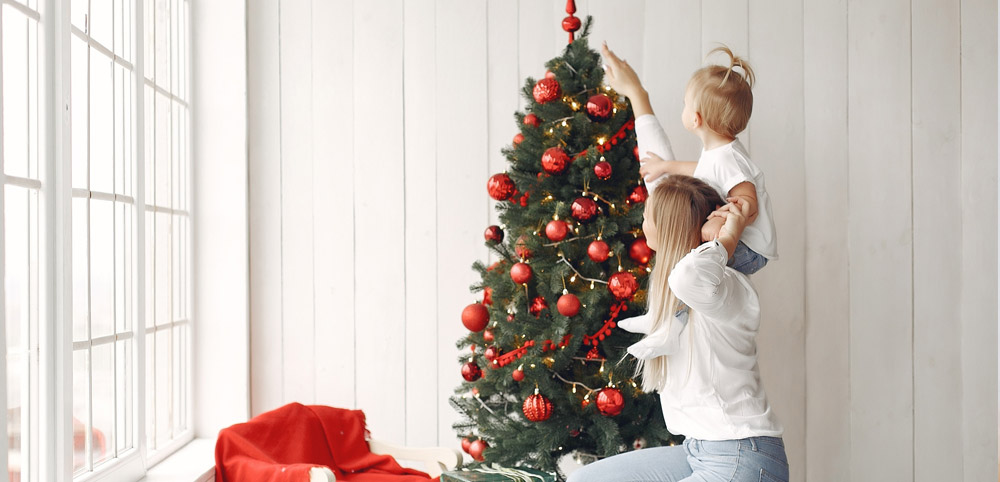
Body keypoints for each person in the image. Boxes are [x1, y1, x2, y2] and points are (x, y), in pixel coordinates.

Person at [566, 175, 788, 482]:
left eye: (647, 217)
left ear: (666, 227)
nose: (643, 224)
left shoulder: (724, 287)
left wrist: (727, 236)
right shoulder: (683, 287)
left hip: (741, 454)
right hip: (700, 450)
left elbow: (689, 277)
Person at [601, 42, 777, 276]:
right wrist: (666, 166)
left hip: (750, 250)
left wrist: (720, 224)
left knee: (690, 273)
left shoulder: (730, 160)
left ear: (695, 119)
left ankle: (681, 312)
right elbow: (703, 170)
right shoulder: (718, 150)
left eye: (685, 103)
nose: (682, 107)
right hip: (738, 243)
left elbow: (748, 204)